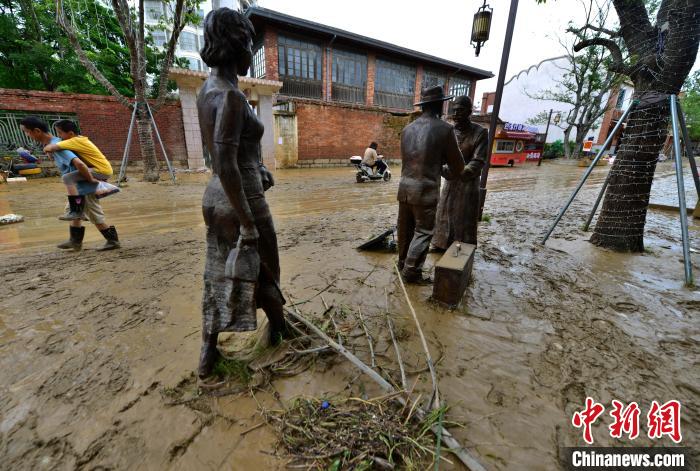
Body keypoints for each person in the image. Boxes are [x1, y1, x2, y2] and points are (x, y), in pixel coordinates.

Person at [196, 7, 287, 378]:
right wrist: (248, 223)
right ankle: (280, 330)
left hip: (215, 198)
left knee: (218, 273)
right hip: (241, 199)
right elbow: (227, 161)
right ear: (237, 45)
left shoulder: (207, 91)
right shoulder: (231, 96)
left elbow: (219, 158)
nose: (253, 53)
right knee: (266, 271)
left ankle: (208, 352)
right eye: (250, 44)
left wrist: (259, 166)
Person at [397, 86, 467, 283]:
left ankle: (402, 264)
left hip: (404, 189)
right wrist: (444, 170)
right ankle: (411, 272)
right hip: (425, 190)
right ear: (440, 104)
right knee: (423, 232)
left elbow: (411, 161)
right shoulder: (445, 129)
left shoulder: (407, 129)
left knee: (405, 229)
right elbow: (458, 166)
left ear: (423, 105)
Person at [20, 116, 121, 251]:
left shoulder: (59, 146)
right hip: (79, 185)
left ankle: (112, 241)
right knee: (75, 211)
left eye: (26, 132)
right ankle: (75, 240)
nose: (27, 135)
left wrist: (90, 180)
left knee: (92, 213)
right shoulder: (55, 144)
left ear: (36, 131)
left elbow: (78, 163)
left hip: (84, 187)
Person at [433, 95, 488, 250]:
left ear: (470, 112)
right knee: (444, 213)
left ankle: (463, 248)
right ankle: (440, 244)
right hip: (450, 181)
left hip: (468, 183)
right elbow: (440, 156)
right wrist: (439, 167)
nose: (456, 114)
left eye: (460, 110)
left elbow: (478, 161)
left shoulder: (480, 132)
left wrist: (460, 172)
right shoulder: (449, 131)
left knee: (464, 217)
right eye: (454, 110)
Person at [42, 120, 113, 220]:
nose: (59, 136)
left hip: (100, 170)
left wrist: (46, 149)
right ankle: (79, 212)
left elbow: (51, 147)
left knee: (67, 178)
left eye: (60, 133)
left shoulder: (74, 141)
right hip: (103, 169)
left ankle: (76, 211)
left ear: (70, 133)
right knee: (77, 187)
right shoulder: (80, 139)